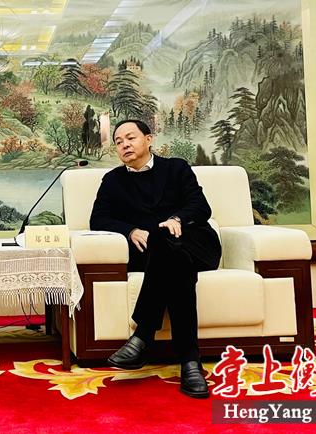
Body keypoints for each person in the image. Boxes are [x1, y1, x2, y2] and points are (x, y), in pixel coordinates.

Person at [89, 119, 221, 398]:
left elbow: (201, 207)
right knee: (172, 257)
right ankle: (190, 362)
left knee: (166, 243)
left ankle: (143, 336)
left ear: (149, 139)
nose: (124, 145)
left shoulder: (176, 168)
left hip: (195, 244)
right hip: (153, 253)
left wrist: (177, 219)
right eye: (118, 142)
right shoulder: (112, 181)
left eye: (130, 138)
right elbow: (98, 219)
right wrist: (130, 230)